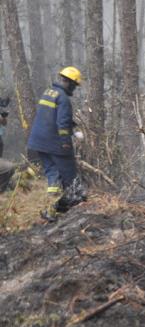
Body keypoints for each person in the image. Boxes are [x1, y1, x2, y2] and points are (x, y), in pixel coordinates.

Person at [26, 66, 87, 222]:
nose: (74, 88)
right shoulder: (64, 99)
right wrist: (66, 142)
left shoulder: (49, 92)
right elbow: (62, 122)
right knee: (70, 178)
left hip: (38, 142)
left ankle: (49, 208)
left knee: (52, 174)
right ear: (71, 83)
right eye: (75, 85)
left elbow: (51, 117)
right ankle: (67, 206)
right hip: (55, 144)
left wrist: (72, 129)